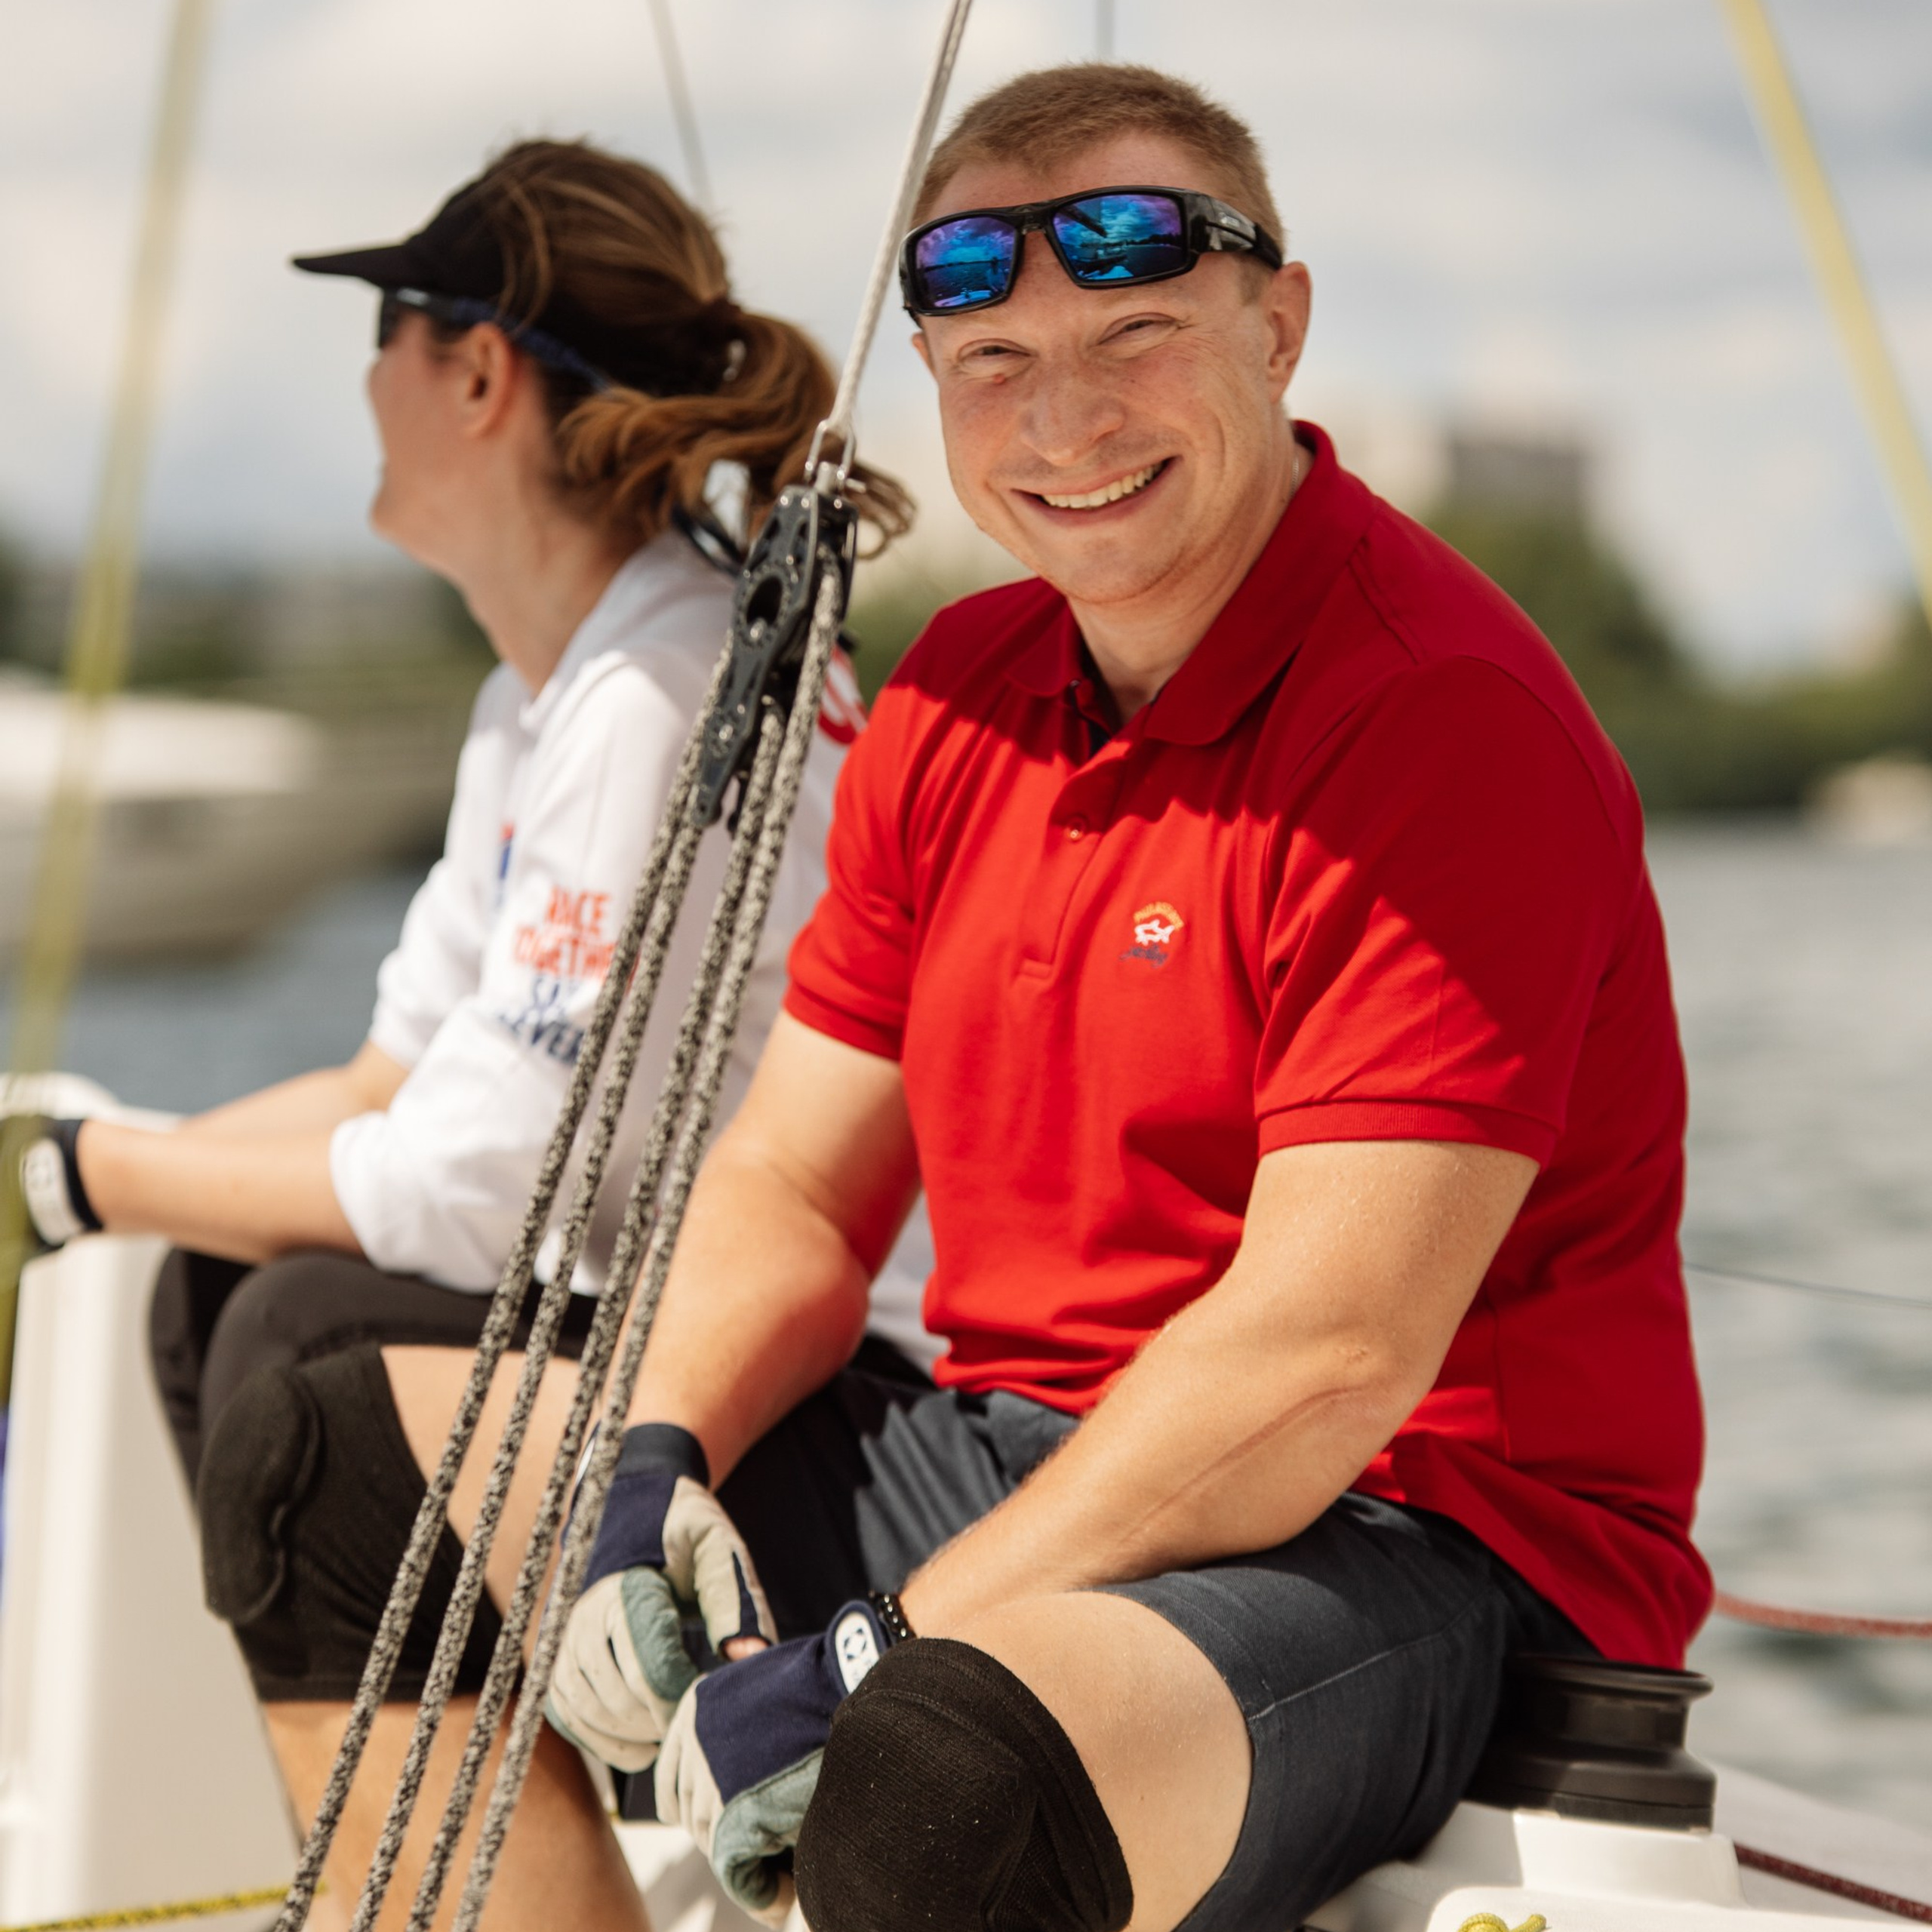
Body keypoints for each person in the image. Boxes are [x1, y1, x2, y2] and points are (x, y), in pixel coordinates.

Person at [529, 62, 1710, 1932]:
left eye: (1134, 334)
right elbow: (797, 1183)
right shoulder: (955, 686)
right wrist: (644, 1466)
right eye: (991, 361)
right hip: (1019, 1442)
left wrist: (872, 1649)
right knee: (363, 1441)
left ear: (1278, 326)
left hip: (1412, 1530)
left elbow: (1324, 1357)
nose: (1061, 416)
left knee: (940, 1770)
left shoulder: (1438, 719)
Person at [15, 137, 930, 1928]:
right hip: (664, 1325)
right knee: (220, 1281)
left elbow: (482, 1191)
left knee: (288, 1366)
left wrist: (70, 1175)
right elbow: (391, 1084)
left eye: (384, 332)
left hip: (812, 1381)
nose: (363, 382)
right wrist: (100, 1179)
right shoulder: (556, 691)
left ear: (478, 370)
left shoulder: (657, 691)